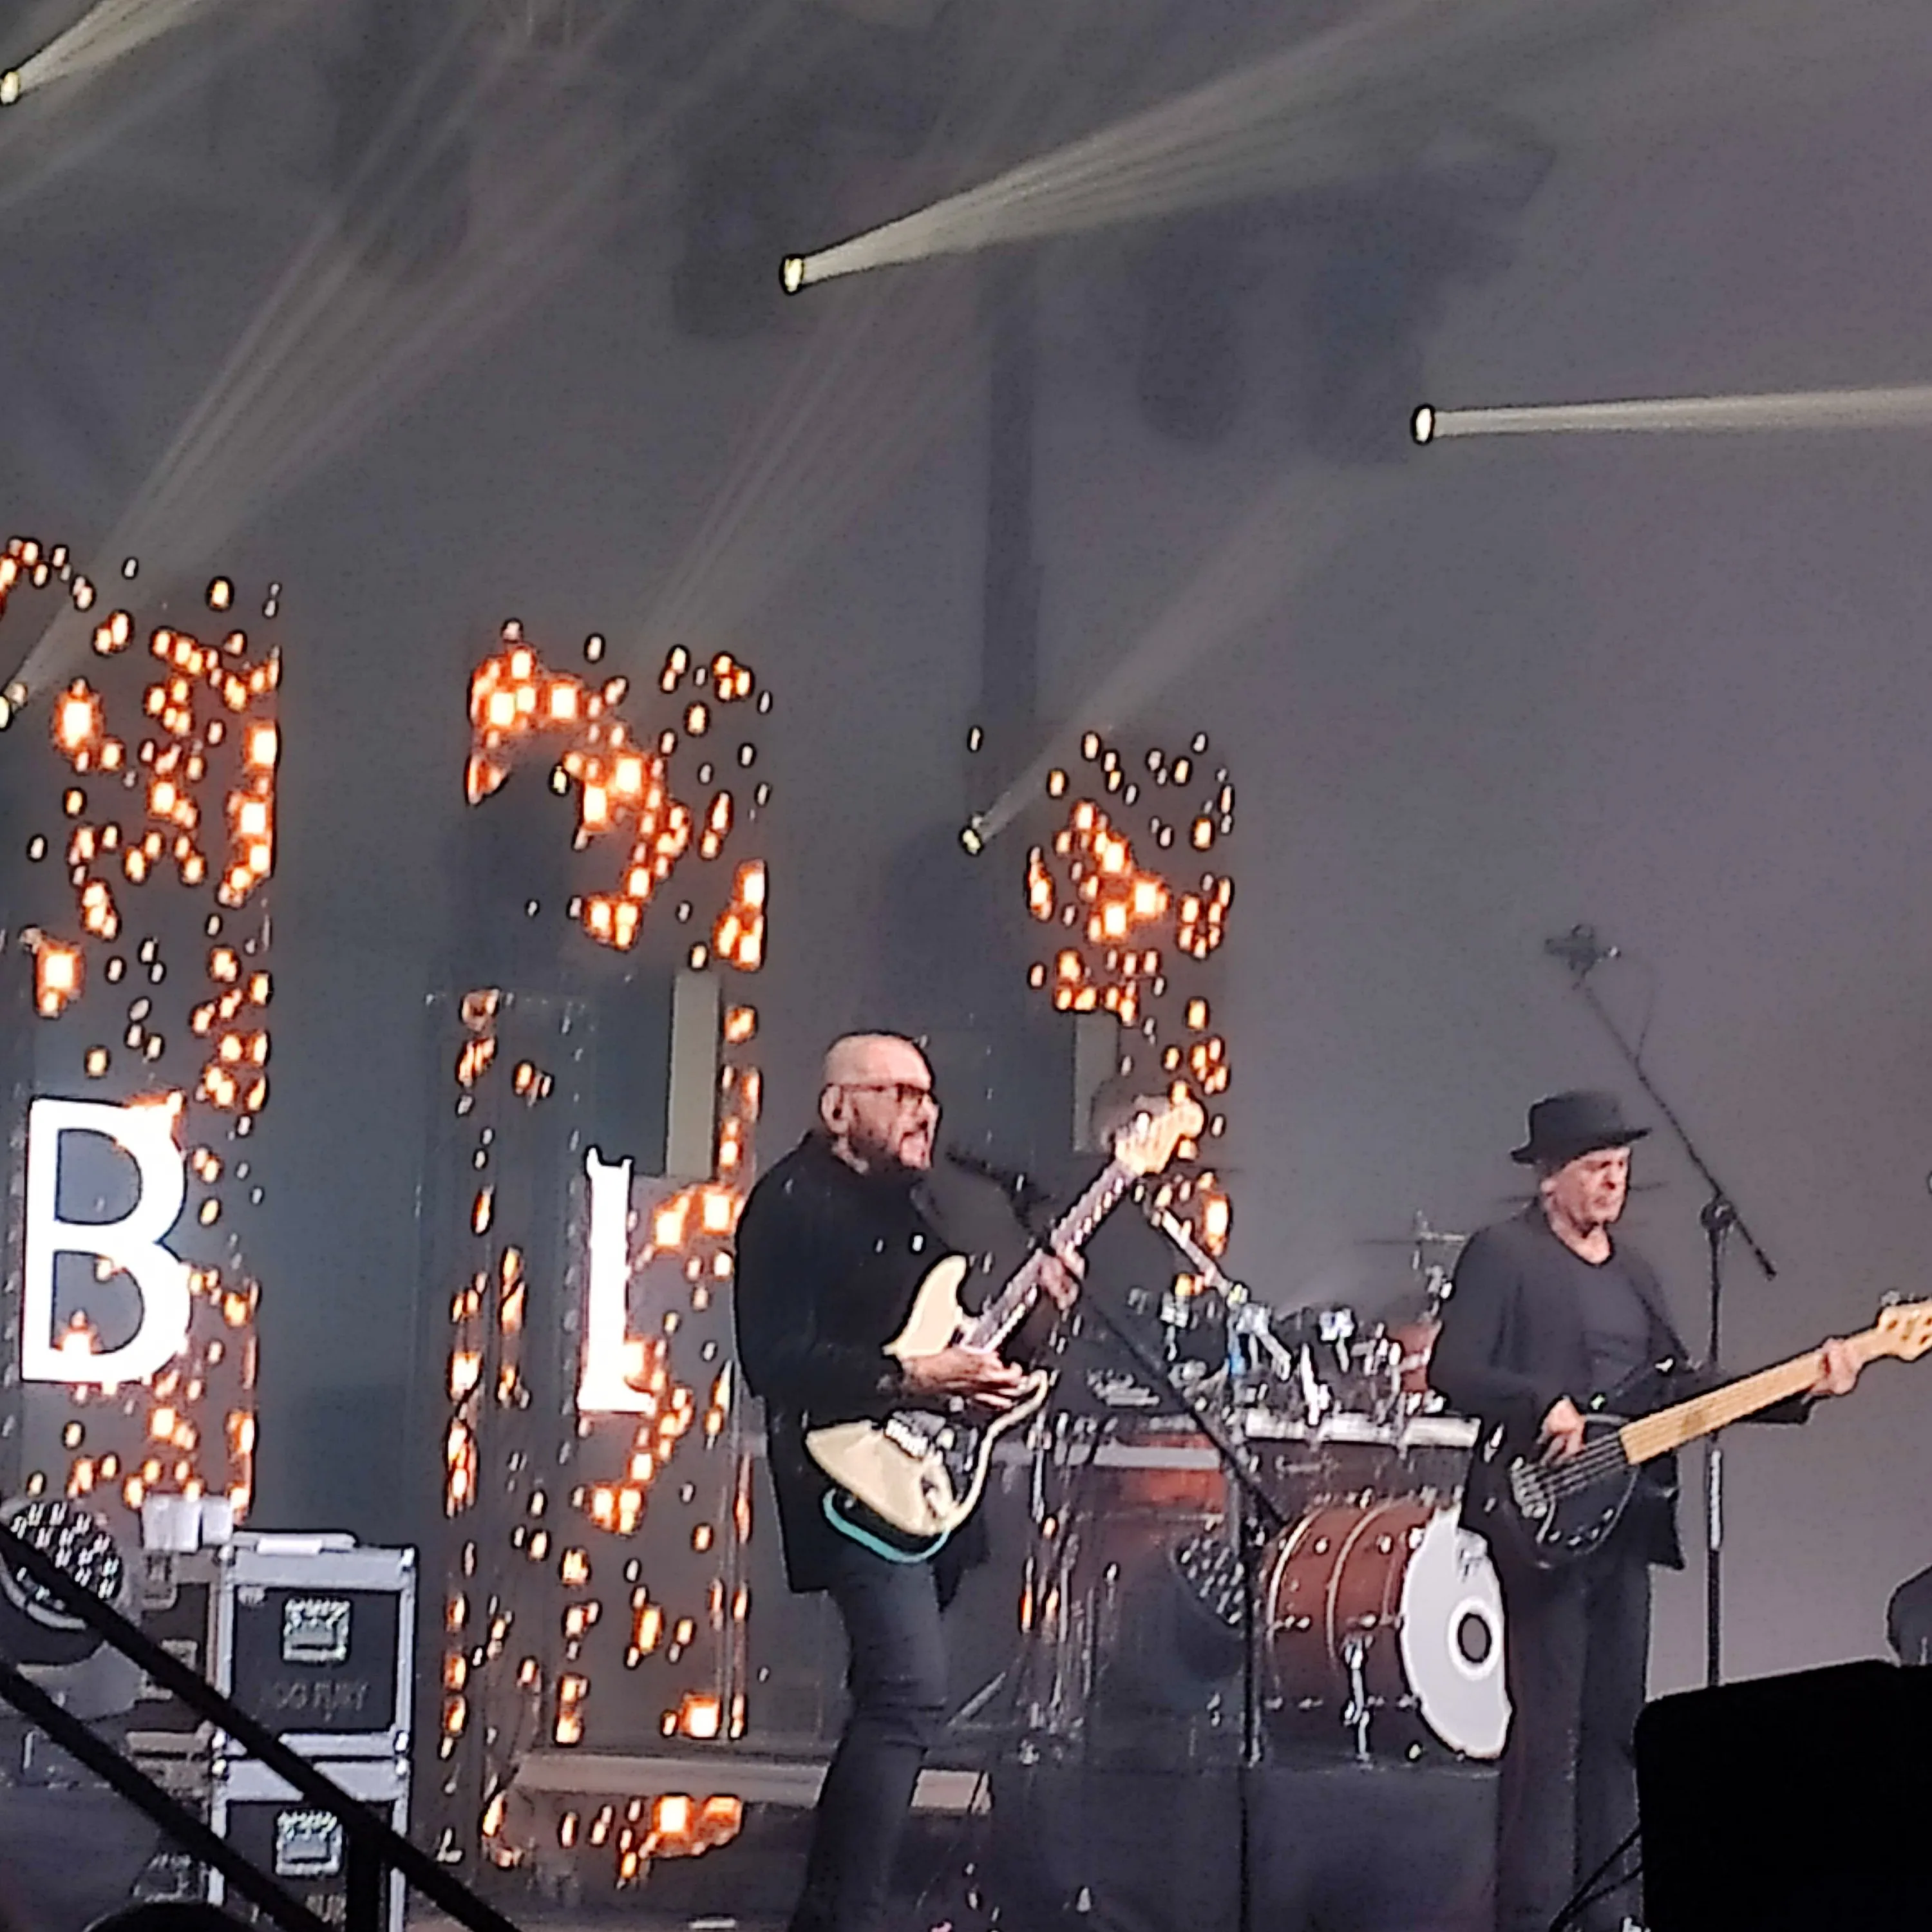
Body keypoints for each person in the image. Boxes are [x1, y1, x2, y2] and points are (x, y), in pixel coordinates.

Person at [1429, 1090, 1862, 1932]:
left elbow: (1681, 1389)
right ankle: (1532, 1915)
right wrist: (1538, 1403)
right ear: (1550, 1177)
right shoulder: (1503, 1255)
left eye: (1621, 1168)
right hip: (1540, 1521)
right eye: (1596, 1168)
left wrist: (1803, 1387)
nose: (1612, 1183)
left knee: (1617, 1732)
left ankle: (1611, 1914)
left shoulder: (1635, 1275)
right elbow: (1453, 1369)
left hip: (1626, 1523)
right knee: (1546, 1736)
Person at [732, 1032, 1077, 1932]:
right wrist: (913, 1377)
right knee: (906, 1695)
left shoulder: (924, 1214)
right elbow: (775, 1359)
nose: (926, 1111)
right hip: (840, 1474)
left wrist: (1038, 1320)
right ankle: (842, 1917)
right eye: (901, 1094)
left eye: (929, 1095)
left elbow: (966, 1355)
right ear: (839, 1107)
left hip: (915, 1481)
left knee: (898, 1699)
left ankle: (835, 1911)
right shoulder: (791, 1203)